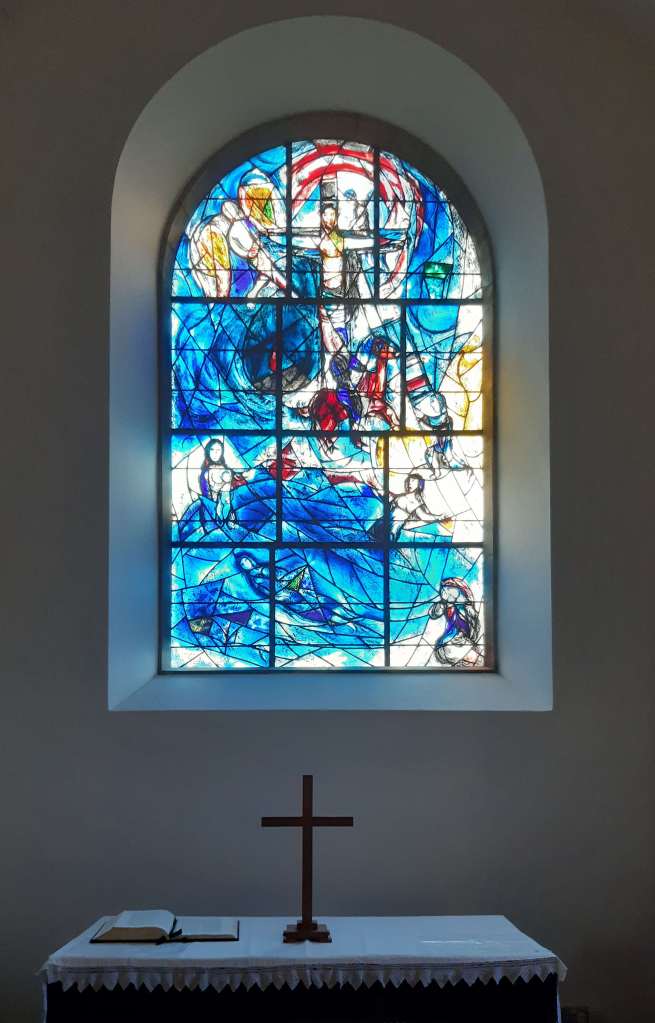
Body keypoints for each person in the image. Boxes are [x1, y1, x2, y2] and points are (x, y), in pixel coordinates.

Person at [428, 577, 481, 665]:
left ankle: (467, 660)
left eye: (448, 591)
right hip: (450, 639)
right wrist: (442, 604)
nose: (445, 594)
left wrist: (468, 637)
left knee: (466, 653)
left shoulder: (467, 608)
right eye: (444, 592)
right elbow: (433, 613)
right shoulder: (447, 606)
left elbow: (475, 625)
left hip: (463, 640)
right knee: (443, 650)